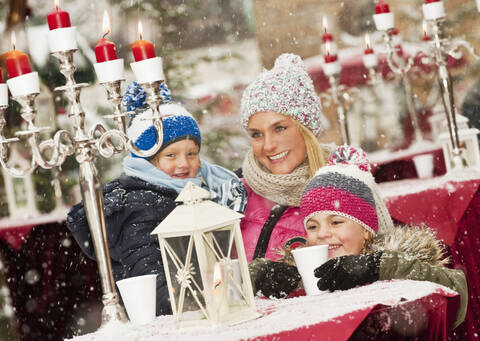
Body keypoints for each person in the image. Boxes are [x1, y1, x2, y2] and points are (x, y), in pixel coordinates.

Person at [66, 86, 247, 316]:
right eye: (170, 155)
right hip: (175, 319)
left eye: (191, 153)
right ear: (146, 161)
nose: (184, 164)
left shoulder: (197, 191)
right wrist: (224, 292)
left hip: (202, 312)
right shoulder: (139, 207)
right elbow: (158, 290)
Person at [250, 145, 467, 328]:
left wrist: (379, 267)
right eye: (313, 226)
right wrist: (259, 274)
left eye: (336, 222)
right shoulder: (303, 272)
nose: (323, 234)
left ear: (365, 230)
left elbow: (457, 292)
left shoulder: (395, 259)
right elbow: (229, 290)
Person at [239, 53, 332, 262]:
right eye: (256, 134)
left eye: (279, 128)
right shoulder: (234, 195)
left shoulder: (343, 189)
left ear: (305, 129)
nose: (268, 145)